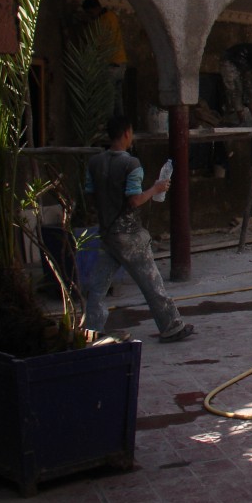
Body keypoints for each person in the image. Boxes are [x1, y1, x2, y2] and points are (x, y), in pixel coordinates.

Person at [83, 116, 194, 343]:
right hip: (129, 234)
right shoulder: (130, 164)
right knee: (151, 282)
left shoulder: (94, 163)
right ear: (126, 133)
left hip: (108, 233)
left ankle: (91, 328)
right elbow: (134, 200)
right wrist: (156, 188)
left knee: (98, 286)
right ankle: (171, 325)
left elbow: (89, 195)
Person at [82, 0, 128, 116]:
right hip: (121, 63)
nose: (90, 15)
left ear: (96, 8)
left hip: (111, 64)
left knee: (108, 99)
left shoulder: (101, 22)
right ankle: (120, 126)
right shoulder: (112, 16)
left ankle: (111, 126)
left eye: (90, 13)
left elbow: (95, 43)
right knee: (118, 98)